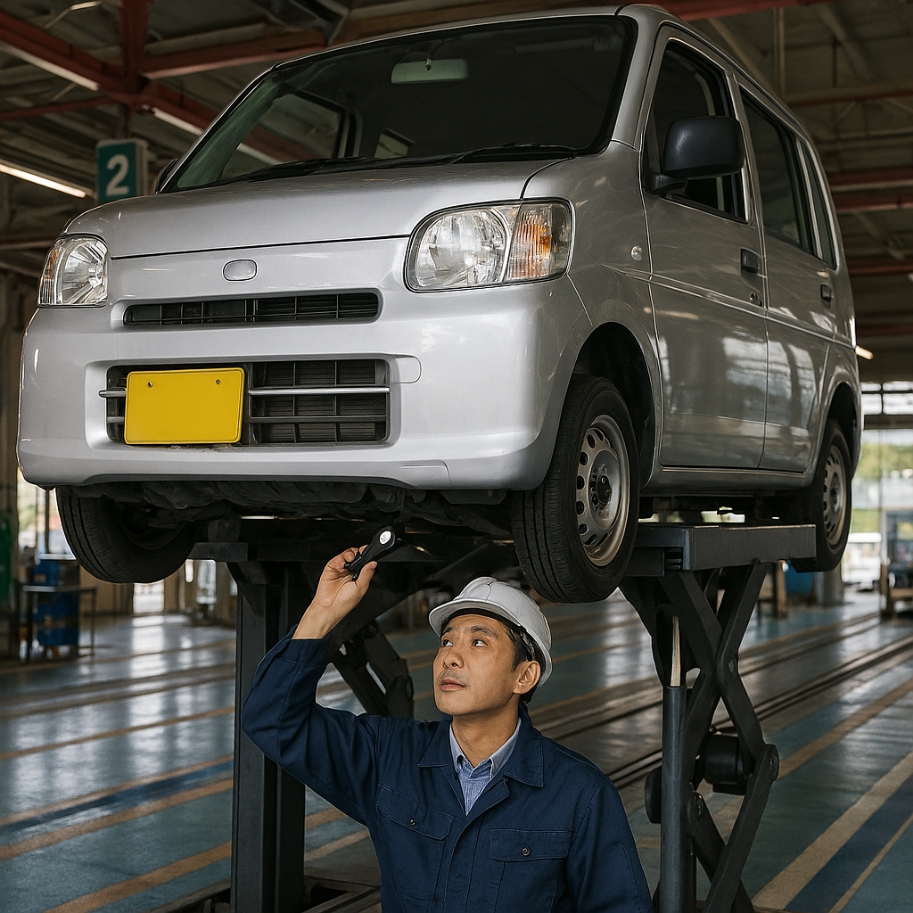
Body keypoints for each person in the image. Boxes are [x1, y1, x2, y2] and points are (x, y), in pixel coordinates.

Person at [242, 546, 652, 913]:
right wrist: (322, 613)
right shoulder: (389, 756)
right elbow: (271, 717)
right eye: (447, 642)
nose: (451, 657)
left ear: (524, 676)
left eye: (478, 643)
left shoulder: (579, 794)